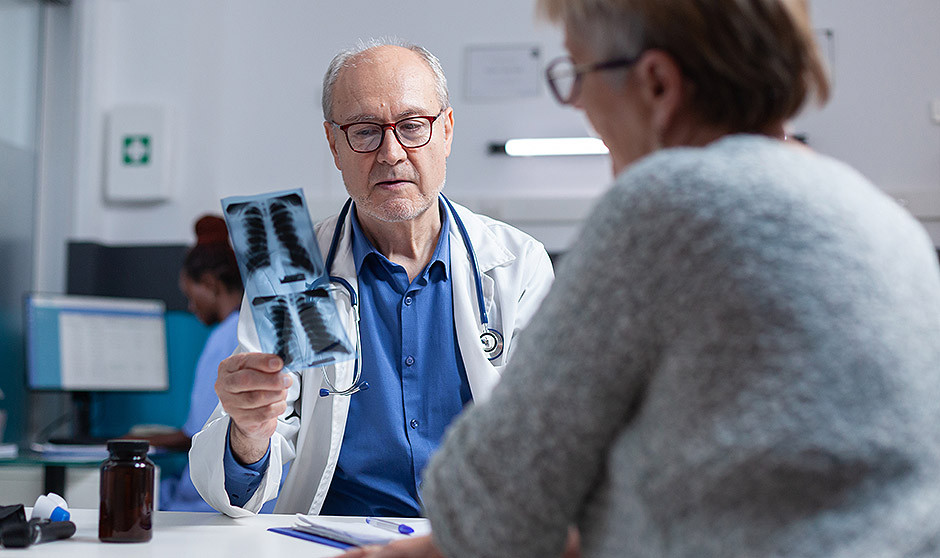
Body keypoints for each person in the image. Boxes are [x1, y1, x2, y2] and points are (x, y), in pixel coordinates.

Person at [346, 1, 940, 557]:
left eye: (580, 73)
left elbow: (493, 508)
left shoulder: (664, 208)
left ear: (656, 83)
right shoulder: (883, 220)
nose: (577, 103)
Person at [189, 40, 555, 517]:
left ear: (446, 130)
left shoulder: (516, 264)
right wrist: (249, 430)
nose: (390, 153)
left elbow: (552, 438)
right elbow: (238, 487)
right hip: (334, 545)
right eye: (364, 131)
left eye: (412, 126)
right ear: (334, 144)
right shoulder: (295, 269)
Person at [142, 215, 244, 511]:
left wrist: (128, 440)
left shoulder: (224, 337)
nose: (190, 307)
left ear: (210, 284)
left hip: (210, 499)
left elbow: (196, 435)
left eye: (190, 295)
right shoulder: (251, 328)